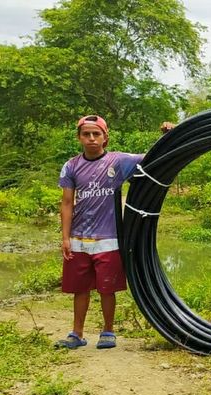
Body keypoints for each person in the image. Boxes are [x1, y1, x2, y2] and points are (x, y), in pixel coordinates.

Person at [57, 115, 144, 349]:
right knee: (80, 289)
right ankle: (77, 334)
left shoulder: (119, 162)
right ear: (79, 138)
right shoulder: (71, 166)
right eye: (86, 134)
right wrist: (65, 238)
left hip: (109, 239)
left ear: (105, 137)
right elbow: (67, 203)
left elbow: (153, 157)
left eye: (96, 134)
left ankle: (108, 331)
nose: (91, 138)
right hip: (79, 239)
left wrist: (168, 135)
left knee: (107, 289)